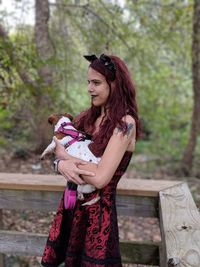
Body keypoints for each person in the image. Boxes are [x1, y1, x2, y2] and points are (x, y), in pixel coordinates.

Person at [41, 54, 140, 267]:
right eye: (88, 82)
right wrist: (59, 164)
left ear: (115, 84)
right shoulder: (87, 118)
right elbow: (57, 149)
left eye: (96, 83)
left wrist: (64, 159)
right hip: (71, 207)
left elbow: (100, 177)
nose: (89, 88)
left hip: (98, 218)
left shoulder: (125, 124)